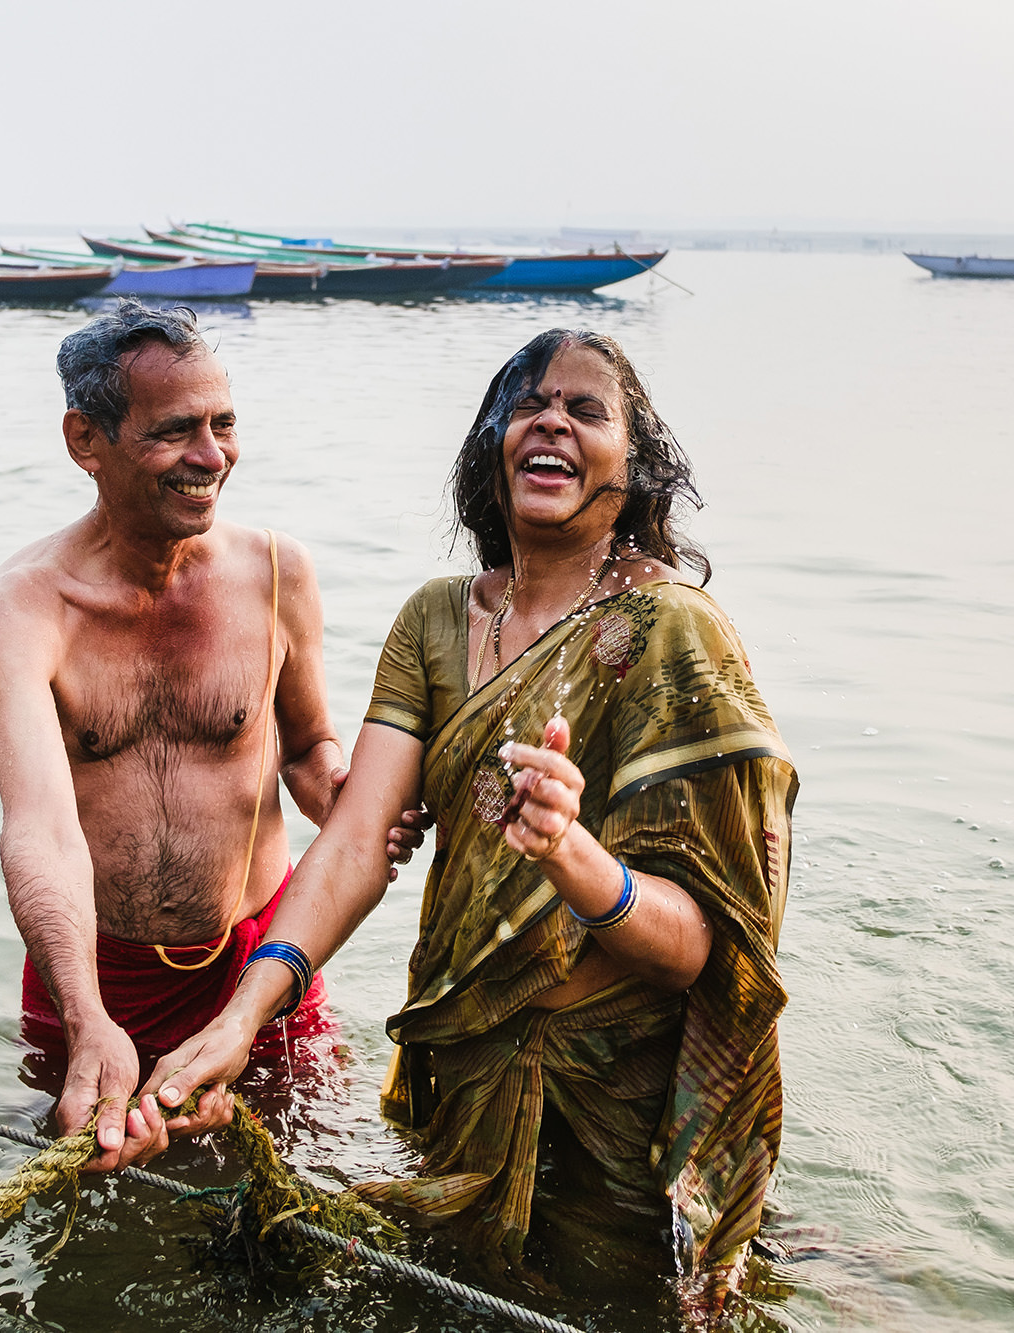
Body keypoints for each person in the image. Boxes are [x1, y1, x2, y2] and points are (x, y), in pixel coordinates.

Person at [145, 328, 796, 1311]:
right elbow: (356, 842)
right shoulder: (435, 620)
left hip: (616, 1117)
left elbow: (708, 951)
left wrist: (574, 858)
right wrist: (241, 1015)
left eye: (587, 410)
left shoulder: (674, 633)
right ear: (490, 445)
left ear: (635, 465)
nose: (552, 420)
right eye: (529, 403)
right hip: (463, 1074)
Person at [0, 301, 420, 1173]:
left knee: (307, 1186)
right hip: (99, 981)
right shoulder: (23, 608)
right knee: (93, 1211)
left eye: (224, 424)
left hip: (260, 962)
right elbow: (40, 828)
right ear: (85, 440)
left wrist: (359, 806)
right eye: (175, 431)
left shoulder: (278, 570)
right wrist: (87, 1015)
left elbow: (306, 749)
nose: (212, 458)